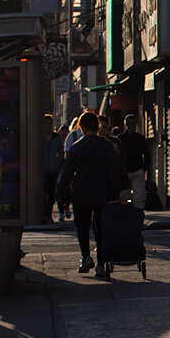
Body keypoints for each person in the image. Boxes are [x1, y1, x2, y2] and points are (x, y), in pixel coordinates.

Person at [56, 109, 122, 273]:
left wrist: (61, 193)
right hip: (102, 191)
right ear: (98, 126)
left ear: (81, 127)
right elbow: (113, 172)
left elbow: (67, 173)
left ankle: (86, 256)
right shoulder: (106, 146)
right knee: (101, 227)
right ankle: (101, 263)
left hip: (81, 192)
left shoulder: (76, 148)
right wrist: (115, 193)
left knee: (82, 226)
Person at [117, 113, 152, 209]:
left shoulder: (140, 138)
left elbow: (147, 154)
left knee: (139, 195)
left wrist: (143, 168)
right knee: (124, 195)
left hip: (137, 170)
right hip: (125, 171)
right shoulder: (120, 139)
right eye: (131, 123)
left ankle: (138, 213)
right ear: (126, 124)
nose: (133, 126)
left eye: (134, 124)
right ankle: (124, 213)